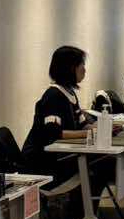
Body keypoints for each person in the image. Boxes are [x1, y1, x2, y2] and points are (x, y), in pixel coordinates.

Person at [22, 46, 95, 181]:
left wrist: (106, 128)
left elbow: (83, 124)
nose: (84, 70)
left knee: (98, 165)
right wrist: (90, 134)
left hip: (61, 156)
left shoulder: (69, 93)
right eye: (81, 64)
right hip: (42, 162)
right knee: (97, 169)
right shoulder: (53, 96)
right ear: (69, 68)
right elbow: (54, 133)